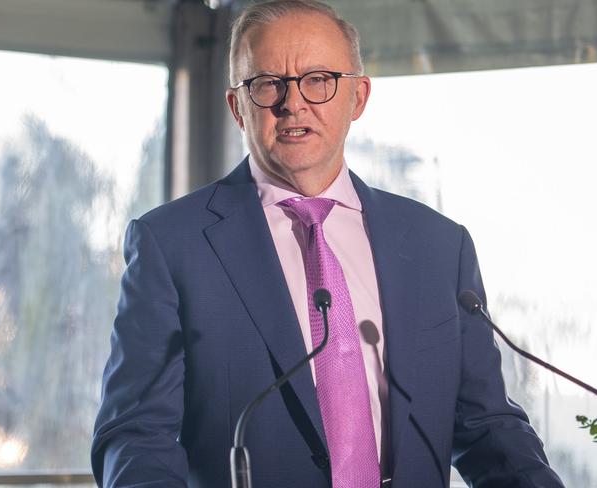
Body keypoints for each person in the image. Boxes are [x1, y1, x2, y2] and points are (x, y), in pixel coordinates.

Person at [91, 1, 565, 487]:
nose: (293, 103)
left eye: (319, 79)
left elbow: (486, 427)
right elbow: (135, 435)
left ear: (358, 97)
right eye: (267, 83)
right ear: (237, 106)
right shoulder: (172, 245)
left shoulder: (440, 247)